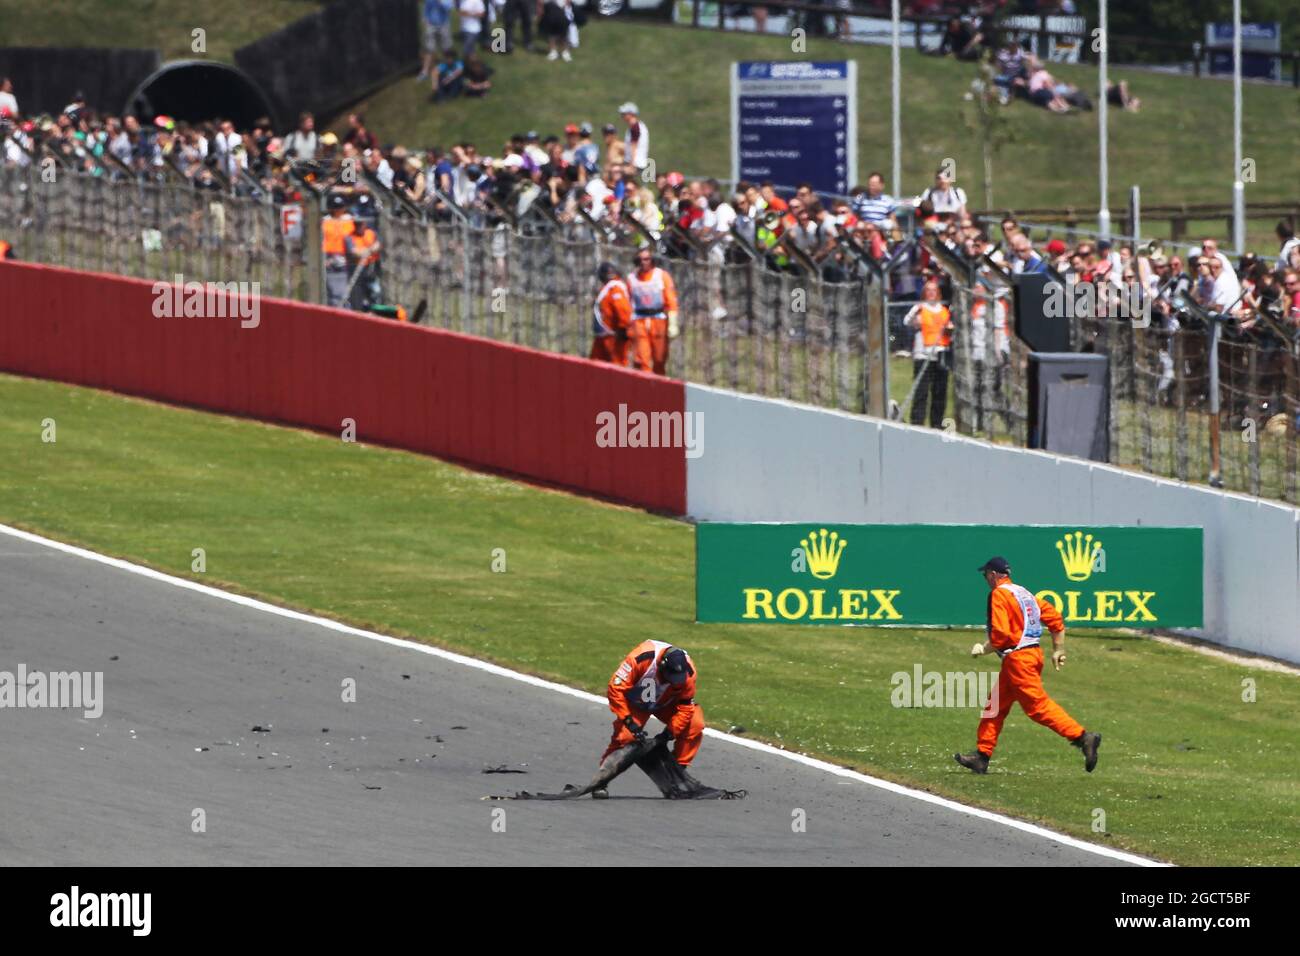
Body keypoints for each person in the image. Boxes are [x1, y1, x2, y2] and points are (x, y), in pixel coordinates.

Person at [955, 557, 1102, 775]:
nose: (985, 579)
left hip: (1018, 660)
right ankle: (981, 756)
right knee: (995, 705)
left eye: (985, 575)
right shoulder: (1023, 593)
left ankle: (1082, 738)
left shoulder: (999, 594)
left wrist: (984, 648)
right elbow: (1054, 619)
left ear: (993, 575)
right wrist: (1058, 649)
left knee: (1037, 708)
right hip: (1029, 655)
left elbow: (1002, 634)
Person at [598, 641, 703, 798]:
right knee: (625, 737)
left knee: (695, 724)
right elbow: (615, 689)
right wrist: (629, 721)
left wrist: (669, 732)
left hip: (666, 703)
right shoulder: (640, 658)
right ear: (662, 665)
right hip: (635, 703)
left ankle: (676, 774)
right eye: (670, 677)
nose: (673, 681)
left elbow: (686, 707)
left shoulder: (689, 672)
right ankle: (601, 781)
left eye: (677, 679)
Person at [904, 279, 952, 428]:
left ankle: (936, 423)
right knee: (921, 390)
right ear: (924, 293)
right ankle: (917, 421)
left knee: (939, 391)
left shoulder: (944, 310)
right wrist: (915, 316)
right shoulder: (919, 308)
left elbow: (950, 327)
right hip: (923, 354)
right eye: (928, 290)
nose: (931, 293)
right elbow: (907, 321)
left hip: (941, 353)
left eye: (934, 290)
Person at [626, 248, 678, 375]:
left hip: (658, 319)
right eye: (640, 260)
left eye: (646, 259)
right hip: (639, 319)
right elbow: (628, 301)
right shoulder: (632, 278)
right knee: (642, 358)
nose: (643, 262)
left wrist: (673, 323)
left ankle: (659, 383)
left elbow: (671, 300)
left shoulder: (661, 276)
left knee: (659, 358)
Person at [590, 261, 633, 365]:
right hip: (603, 336)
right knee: (595, 366)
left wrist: (623, 329)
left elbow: (622, 309)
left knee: (616, 365)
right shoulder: (607, 288)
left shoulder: (615, 288)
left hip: (614, 337)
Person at [322, 194, 356, 308]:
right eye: (335, 207)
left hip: (347, 258)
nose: (338, 210)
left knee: (347, 291)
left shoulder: (349, 220)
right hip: (328, 257)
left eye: (340, 207)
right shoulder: (324, 221)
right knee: (332, 291)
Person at [418, 0, 456, 82]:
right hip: (431, 25)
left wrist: (440, 1)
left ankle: (450, 69)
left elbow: (447, 9)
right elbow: (427, 9)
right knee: (429, 49)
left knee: (447, 49)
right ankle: (424, 72)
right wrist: (425, 20)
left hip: (444, 25)